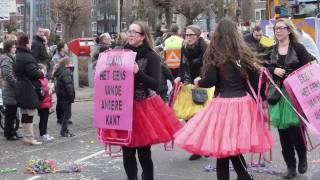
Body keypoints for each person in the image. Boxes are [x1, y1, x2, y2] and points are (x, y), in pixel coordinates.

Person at [174, 18, 275, 180]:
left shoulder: (214, 52)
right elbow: (256, 78)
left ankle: (243, 176)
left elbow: (210, 81)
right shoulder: (243, 51)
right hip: (244, 103)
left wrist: (198, 81)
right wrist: (261, 98)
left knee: (223, 148)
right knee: (230, 147)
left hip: (224, 104)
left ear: (217, 34)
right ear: (235, 33)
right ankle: (244, 176)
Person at [99, 21, 181, 180]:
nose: (130, 34)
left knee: (144, 152)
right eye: (129, 31)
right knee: (127, 152)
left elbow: (155, 84)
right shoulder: (121, 52)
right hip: (122, 107)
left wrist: (138, 72)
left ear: (142, 36)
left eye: (134, 32)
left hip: (142, 107)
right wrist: (106, 60)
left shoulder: (151, 56)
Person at [267, 18, 311, 179]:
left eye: (281, 28)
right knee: (283, 134)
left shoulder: (298, 48)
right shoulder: (271, 50)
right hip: (277, 95)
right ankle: (290, 167)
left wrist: (292, 74)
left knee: (295, 132)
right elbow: (262, 67)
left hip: (295, 94)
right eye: (275, 29)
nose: (278, 31)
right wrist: (273, 70)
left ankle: (303, 157)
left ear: (289, 30)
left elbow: (308, 67)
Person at [174, 25, 210, 161]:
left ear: (198, 36)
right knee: (189, 120)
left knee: (202, 119)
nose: (188, 37)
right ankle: (197, 148)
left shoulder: (205, 48)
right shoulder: (184, 48)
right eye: (186, 35)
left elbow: (210, 66)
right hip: (188, 86)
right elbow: (181, 65)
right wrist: (180, 77)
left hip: (203, 86)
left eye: (191, 35)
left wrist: (202, 77)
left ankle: (205, 145)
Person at [14, 34, 44, 145]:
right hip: (29, 87)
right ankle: (30, 137)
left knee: (25, 112)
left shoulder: (18, 55)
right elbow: (33, 72)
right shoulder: (27, 56)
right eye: (29, 42)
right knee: (30, 112)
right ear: (26, 43)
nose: (31, 44)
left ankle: (27, 137)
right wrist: (41, 72)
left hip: (21, 86)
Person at [0, 40, 21, 140]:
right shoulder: (6, 59)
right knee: (10, 113)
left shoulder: (9, 58)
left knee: (12, 113)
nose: (15, 48)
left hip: (11, 90)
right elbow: (7, 74)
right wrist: (17, 83)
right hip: (9, 89)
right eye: (13, 47)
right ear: (9, 48)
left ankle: (12, 131)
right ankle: (9, 133)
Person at [53, 57, 75, 137]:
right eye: (70, 62)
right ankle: (64, 131)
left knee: (66, 114)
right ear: (66, 64)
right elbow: (69, 86)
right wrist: (72, 97)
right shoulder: (66, 72)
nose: (72, 64)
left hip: (61, 96)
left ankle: (65, 130)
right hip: (66, 96)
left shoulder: (61, 71)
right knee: (67, 115)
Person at [51, 42, 69, 124]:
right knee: (60, 99)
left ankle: (65, 117)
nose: (68, 48)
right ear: (62, 48)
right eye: (66, 47)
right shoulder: (55, 58)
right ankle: (60, 118)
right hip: (59, 80)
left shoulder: (66, 56)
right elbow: (56, 70)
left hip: (66, 79)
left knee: (66, 99)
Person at [38, 63, 54, 141]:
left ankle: (45, 133)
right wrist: (48, 88)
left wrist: (51, 89)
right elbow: (41, 91)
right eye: (43, 70)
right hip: (43, 102)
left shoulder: (45, 79)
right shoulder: (39, 80)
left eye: (45, 70)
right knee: (43, 119)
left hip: (47, 102)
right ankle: (42, 134)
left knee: (46, 119)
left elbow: (49, 90)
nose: (44, 71)